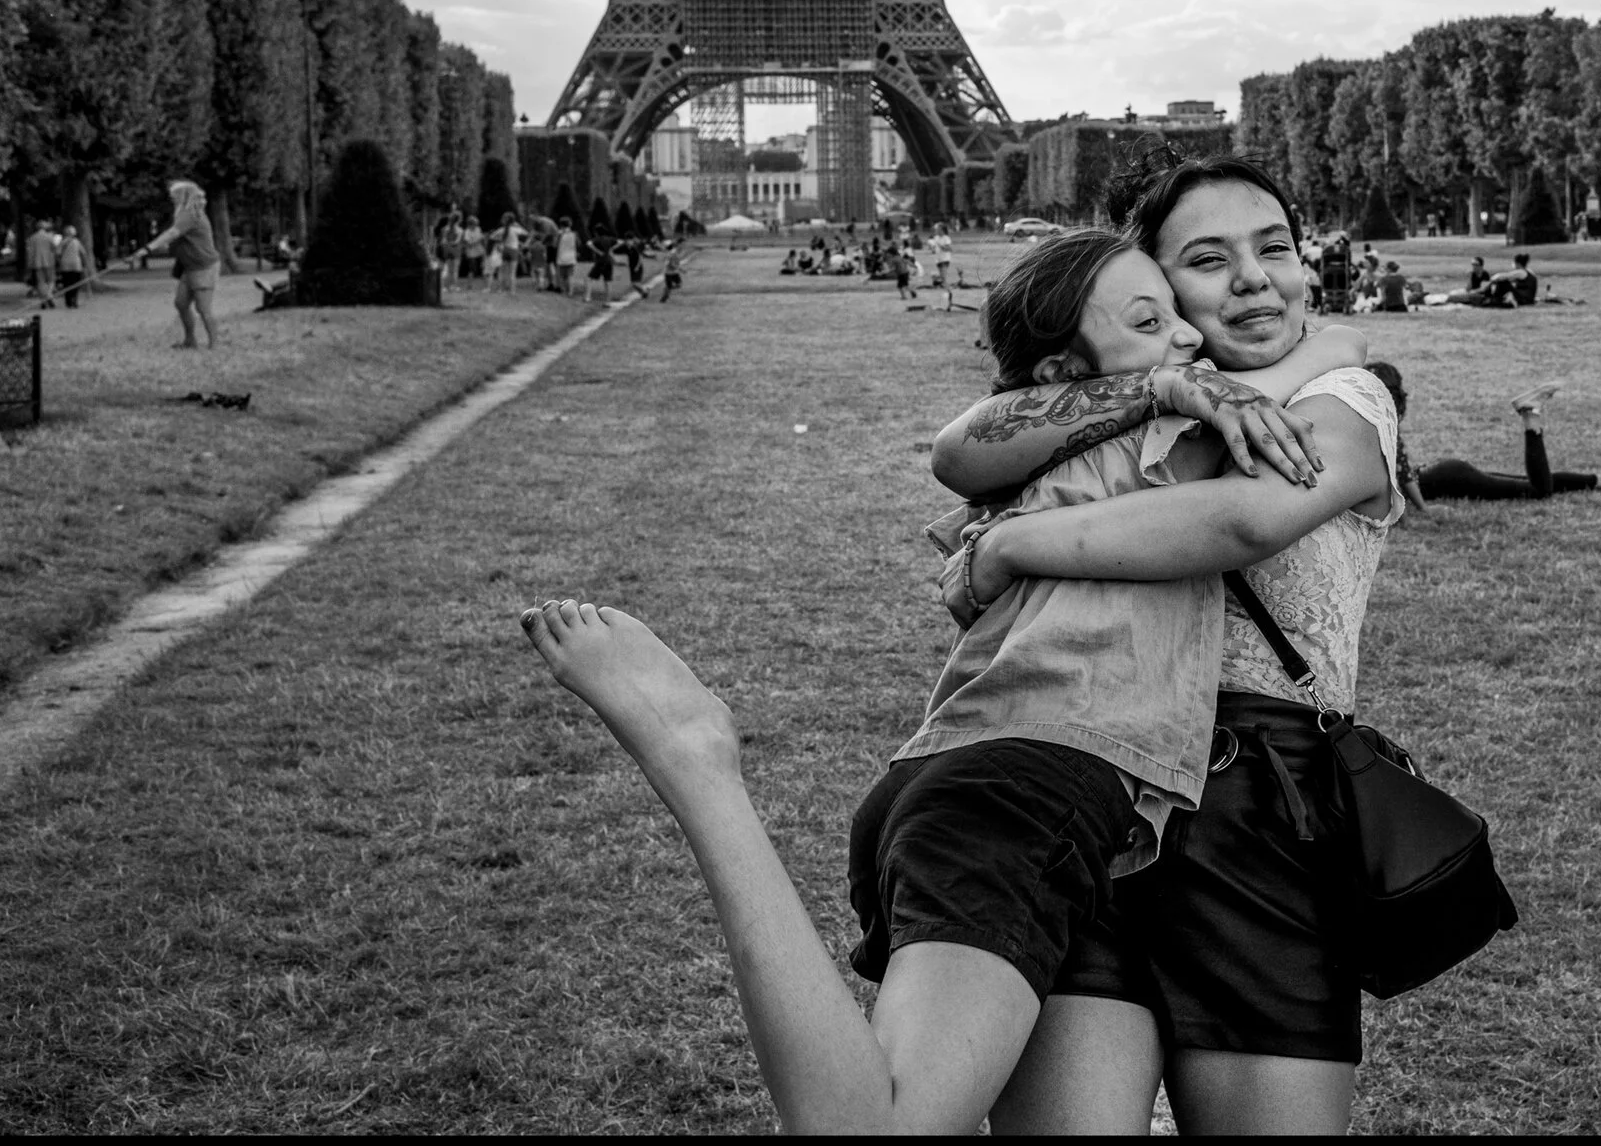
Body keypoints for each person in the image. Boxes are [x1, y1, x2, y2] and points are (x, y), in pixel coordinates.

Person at [520, 225, 1363, 1134]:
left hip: (962, 782)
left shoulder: (1039, 463)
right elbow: (1296, 390)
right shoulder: (1164, 427)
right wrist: (1317, 350)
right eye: (1152, 320)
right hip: (1032, 783)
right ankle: (697, 766)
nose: (1189, 341)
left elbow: (964, 448)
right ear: (1064, 375)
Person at [930, 154, 1414, 1134]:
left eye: (1273, 246)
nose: (1252, 276)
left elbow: (1242, 520)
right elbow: (957, 449)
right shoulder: (1116, 401)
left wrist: (1011, 542)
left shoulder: (1348, 397)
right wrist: (1161, 389)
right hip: (1078, 783)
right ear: (1153, 289)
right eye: (1208, 257)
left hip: (1256, 811)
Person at [1378, 372, 1601, 508]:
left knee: (1536, 492)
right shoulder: (1381, 426)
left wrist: (1423, 510)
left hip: (1445, 478)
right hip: (1442, 472)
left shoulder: (1379, 429)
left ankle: (1531, 417)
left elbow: (1403, 476)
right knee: (1533, 485)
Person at [134, 179, 223, 350]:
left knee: (203, 308)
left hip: (203, 267)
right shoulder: (184, 214)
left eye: (174, 195)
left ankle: (214, 345)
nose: (172, 198)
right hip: (189, 267)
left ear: (184, 196)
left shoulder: (190, 214)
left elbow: (172, 233)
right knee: (181, 303)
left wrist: (147, 248)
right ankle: (190, 341)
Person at [24, 218, 59, 308]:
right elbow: (55, 249)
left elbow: (29, 252)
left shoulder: (32, 238)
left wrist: (30, 263)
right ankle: (49, 295)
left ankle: (43, 300)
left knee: (40, 282)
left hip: (37, 263)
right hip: (49, 262)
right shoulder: (49, 237)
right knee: (51, 280)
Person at [56, 224, 89, 308]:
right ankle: (74, 299)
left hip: (65, 265)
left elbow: (58, 253)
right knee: (75, 283)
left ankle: (68, 301)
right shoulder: (76, 241)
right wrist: (84, 263)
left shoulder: (63, 242)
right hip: (76, 265)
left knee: (66, 283)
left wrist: (60, 261)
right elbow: (83, 253)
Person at [555, 219, 579, 296]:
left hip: (561, 257)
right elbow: (578, 244)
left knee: (562, 276)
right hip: (571, 256)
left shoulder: (559, 234)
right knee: (570, 275)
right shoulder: (574, 234)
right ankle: (570, 292)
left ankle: (564, 290)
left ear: (561, 225)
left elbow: (555, 244)